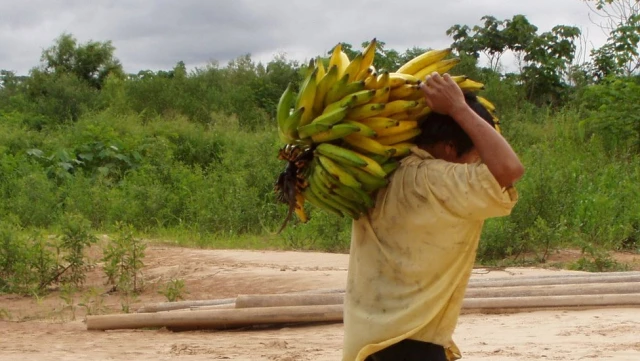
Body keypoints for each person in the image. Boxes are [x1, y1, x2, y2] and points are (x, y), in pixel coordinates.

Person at [341, 72, 525, 361]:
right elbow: (509, 170)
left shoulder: (381, 173)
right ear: (450, 149)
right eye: (475, 159)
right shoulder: (437, 182)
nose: (475, 166)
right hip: (410, 341)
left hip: (367, 339)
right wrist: (458, 108)